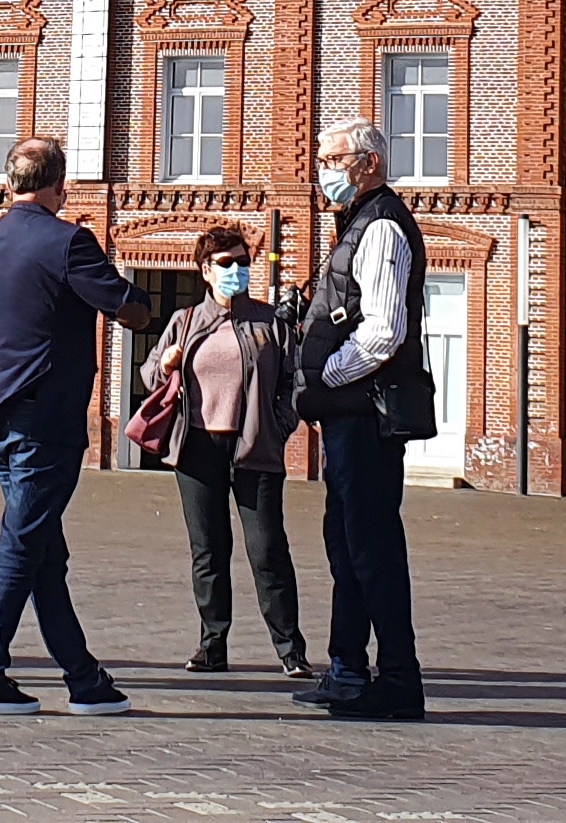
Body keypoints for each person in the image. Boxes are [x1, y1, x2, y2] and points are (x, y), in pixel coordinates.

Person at [0, 135, 153, 718]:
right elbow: (125, 305)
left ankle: (83, 677)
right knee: (22, 548)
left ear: (8, 182)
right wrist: (140, 305)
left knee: (43, 549)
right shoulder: (70, 241)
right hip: (45, 417)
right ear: (58, 187)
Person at [290, 118, 431, 722]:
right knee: (344, 545)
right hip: (350, 418)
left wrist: (326, 378)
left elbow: (382, 333)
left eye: (333, 159)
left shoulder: (381, 229)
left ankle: (398, 678)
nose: (324, 171)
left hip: (369, 416)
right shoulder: (354, 226)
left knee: (371, 548)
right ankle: (346, 668)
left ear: (368, 163)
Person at [146, 223, 309, 677]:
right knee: (209, 549)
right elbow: (151, 378)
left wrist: (278, 427)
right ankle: (212, 644)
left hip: (255, 447)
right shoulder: (185, 322)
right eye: (226, 263)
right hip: (198, 448)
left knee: (268, 549)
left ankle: (290, 650)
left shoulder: (269, 323)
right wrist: (164, 364)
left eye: (242, 262)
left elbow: (292, 383)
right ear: (205, 270)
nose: (236, 270)